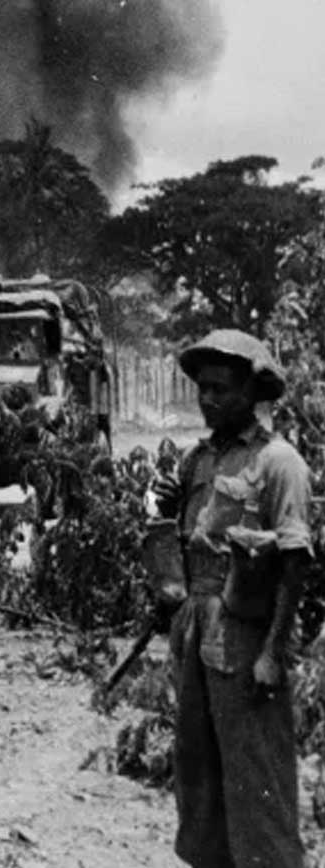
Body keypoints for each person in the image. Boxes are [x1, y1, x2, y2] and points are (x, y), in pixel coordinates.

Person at [152, 329, 311, 868]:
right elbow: (186, 542)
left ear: (251, 392)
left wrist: (273, 653)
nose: (209, 399)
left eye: (222, 389)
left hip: (246, 636)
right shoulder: (196, 461)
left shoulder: (279, 462)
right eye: (203, 388)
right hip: (198, 632)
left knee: (256, 776)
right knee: (197, 772)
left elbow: (295, 563)